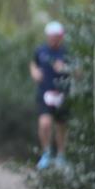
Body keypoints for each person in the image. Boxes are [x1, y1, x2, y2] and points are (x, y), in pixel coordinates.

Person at [30, 21, 71, 170]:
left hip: (62, 94)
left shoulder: (67, 52)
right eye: (51, 36)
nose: (53, 39)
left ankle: (61, 156)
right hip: (44, 93)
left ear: (61, 37)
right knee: (45, 123)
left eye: (56, 36)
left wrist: (65, 68)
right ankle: (46, 153)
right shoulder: (40, 51)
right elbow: (33, 63)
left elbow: (79, 71)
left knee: (61, 126)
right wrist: (34, 72)